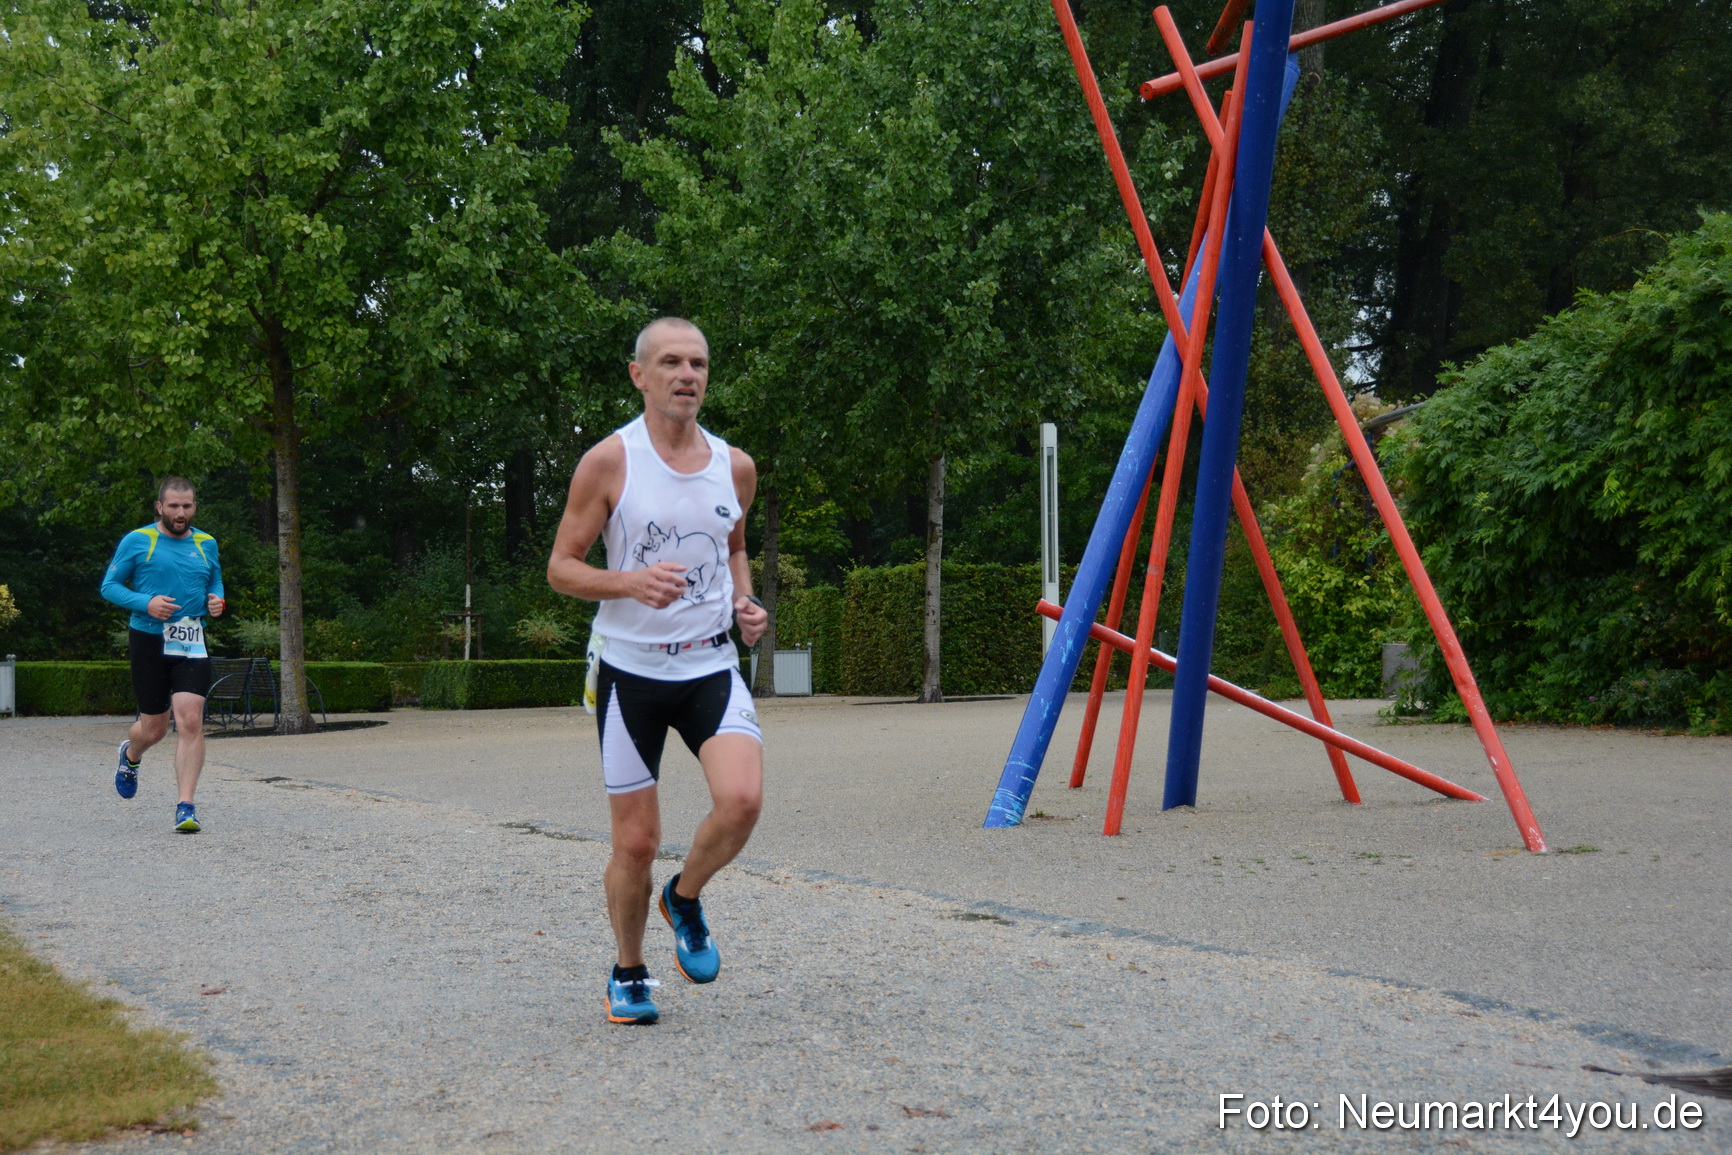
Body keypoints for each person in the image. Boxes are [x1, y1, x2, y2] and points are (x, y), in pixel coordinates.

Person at [547, 317, 769, 1025]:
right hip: (630, 673)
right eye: (670, 361)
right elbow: (561, 568)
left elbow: (734, 545)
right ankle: (630, 968)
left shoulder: (734, 465)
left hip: (709, 664)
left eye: (698, 363)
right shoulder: (609, 462)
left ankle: (687, 896)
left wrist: (746, 599)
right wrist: (630, 583)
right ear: (638, 374)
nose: (687, 374)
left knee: (741, 802)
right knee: (635, 842)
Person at [100, 478, 226, 833]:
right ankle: (131, 754)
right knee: (153, 730)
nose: (180, 513)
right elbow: (109, 587)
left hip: (191, 640)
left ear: (194, 507)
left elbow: (214, 581)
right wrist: (146, 602)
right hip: (149, 640)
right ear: (159, 506)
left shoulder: (206, 543)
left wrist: (218, 601)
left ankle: (186, 807)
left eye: (187, 506)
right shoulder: (138, 540)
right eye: (173, 506)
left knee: (190, 720)